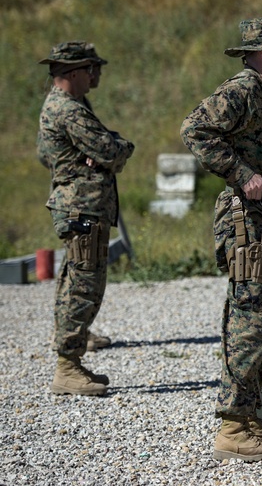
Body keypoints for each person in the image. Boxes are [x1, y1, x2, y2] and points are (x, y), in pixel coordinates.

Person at [180, 17, 262, 462]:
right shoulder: (243, 89)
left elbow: (256, 150)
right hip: (247, 223)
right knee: (250, 319)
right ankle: (233, 427)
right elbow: (195, 130)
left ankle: (249, 415)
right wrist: (242, 174)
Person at [38, 41, 135, 397]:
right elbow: (110, 149)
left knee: (76, 280)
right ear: (74, 73)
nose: (95, 76)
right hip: (82, 207)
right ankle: (68, 366)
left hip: (80, 207)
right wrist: (115, 148)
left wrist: (88, 156)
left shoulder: (67, 105)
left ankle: (72, 347)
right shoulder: (68, 110)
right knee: (83, 285)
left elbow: (44, 154)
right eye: (91, 69)